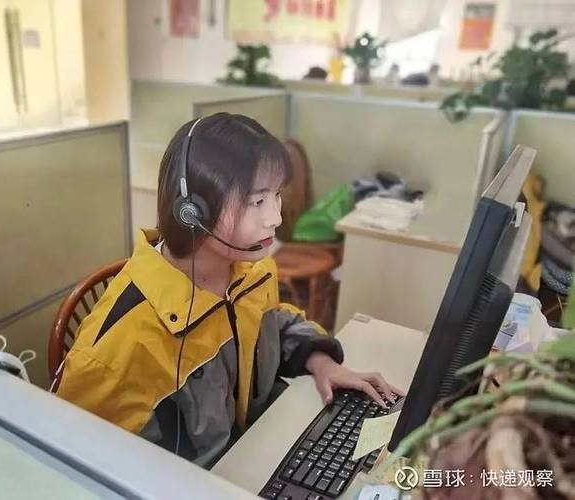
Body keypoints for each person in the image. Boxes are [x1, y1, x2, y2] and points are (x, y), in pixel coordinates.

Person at [53, 113, 403, 468]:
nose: (276, 218)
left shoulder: (252, 271)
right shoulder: (114, 352)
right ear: (193, 211)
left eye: (276, 196)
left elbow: (274, 324)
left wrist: (322, 362)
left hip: (254, 453)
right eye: (257, 202)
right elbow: (75, 470)